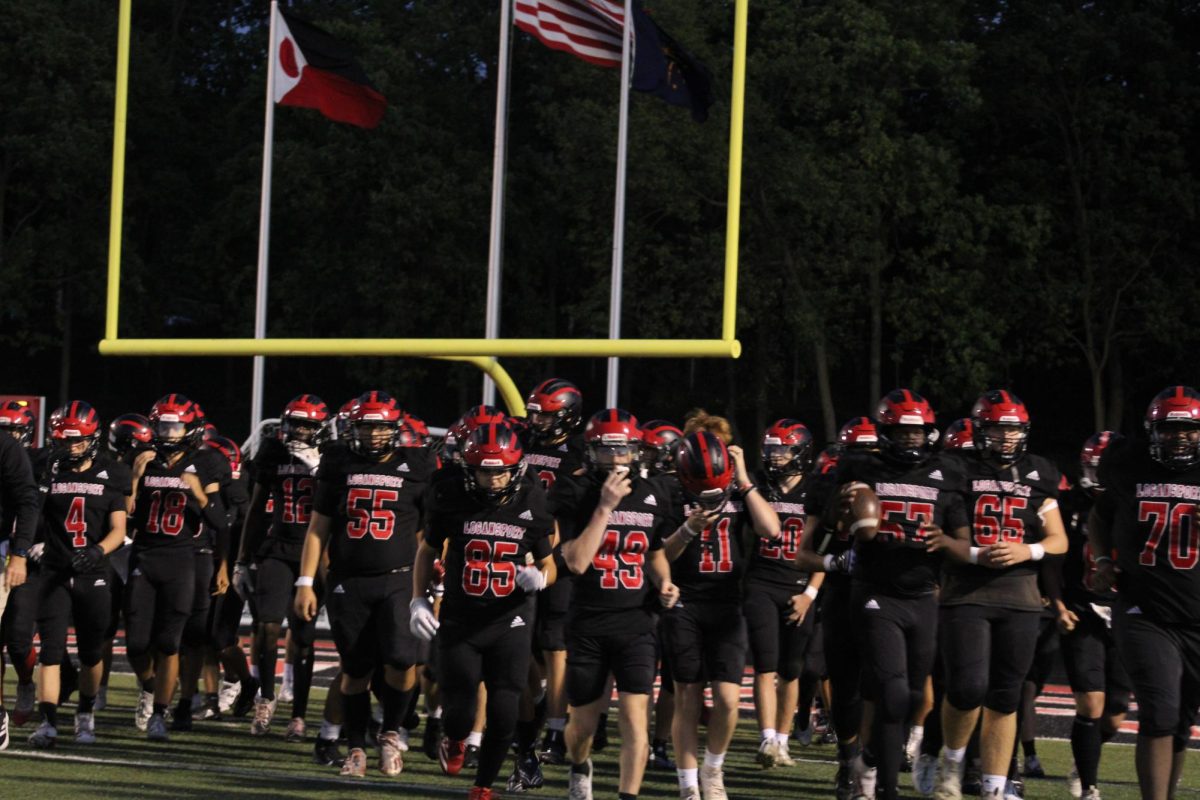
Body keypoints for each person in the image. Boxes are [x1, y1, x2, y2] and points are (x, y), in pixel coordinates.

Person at [804, 389, 970, 800]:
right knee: (868, 689)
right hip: (867, 591)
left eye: (918, 433)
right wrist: (837, 520)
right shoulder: (855, 470)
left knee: (907, 695)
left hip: (920, 593)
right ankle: (870, 775)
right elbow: (816, 545)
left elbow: (962, 545)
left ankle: (871, 761)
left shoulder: (945, 473)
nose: (913, 439)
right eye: (903, 431)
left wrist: (946, 543)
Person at [934, 390, 1068, 800]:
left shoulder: (1039, 471)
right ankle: (952, 759)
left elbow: (1059, 539)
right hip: (967, 592)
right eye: (997, 428)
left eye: (1013, 429)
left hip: (1021, 596)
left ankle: (994, 786)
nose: (1006, 437)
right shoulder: (957, 469)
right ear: (980, 429)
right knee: (968, 687)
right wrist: (974, 553)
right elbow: (943, 534)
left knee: (1007, 695)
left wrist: (1028, 550)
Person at [412, 421, 557, 800]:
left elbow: (550, 561)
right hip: (461, 617)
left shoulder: (531, 497)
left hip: (510, 618)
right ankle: (454, 737)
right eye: (484, 471)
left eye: (500, 471)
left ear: (517, 468)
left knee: (506, 708)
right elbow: (428, 549)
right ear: (468, 468)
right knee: (460, 712)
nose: (493, 480)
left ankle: (484, 787)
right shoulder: (450, 494)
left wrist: (540, 578)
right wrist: (418, 599)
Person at [294, 390, 434, 778]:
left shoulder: (417, 465)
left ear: (395, 429)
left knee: (403, 661)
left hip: (400, 579)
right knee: (355, 669)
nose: (373, 435)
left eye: (380, 428)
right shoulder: (338, 463)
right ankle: (355, 747)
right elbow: (318, 528)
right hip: (348, 580)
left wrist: (429, 587)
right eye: (366, 427)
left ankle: (390, 732)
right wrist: (306, 581)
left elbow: (429, 535)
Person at [551, 408, 679, 800]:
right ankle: (579, 765)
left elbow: (653, 551)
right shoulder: (575, 492)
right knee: (582, 726)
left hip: (637, 622)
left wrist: (665, 581)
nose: (617, 458)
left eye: (623, 449)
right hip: (588, 619)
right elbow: (574, 561)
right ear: (591, 452)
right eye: (607, 450)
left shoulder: (654, 492)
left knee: (636, 722)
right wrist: (604, 508)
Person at [1088, 386, 1200, 800]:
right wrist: (1101, 561)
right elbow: (1100, 517)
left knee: (1182, 721)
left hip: (1197, 614)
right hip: (1144, 609)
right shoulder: (1126, 464)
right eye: (1170, 429)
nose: (1180, 437)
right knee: (1160, 713)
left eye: (1189, 429)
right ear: (1153, 431)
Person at [663, 415, 782, 800]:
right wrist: (688, 529)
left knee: (729, 700)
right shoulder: (672, 490)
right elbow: (657, 553)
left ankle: (713, 771)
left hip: (727, 602)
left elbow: (771, 530)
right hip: (685, 601)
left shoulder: (737, 486)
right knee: (688, 696)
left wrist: (745, 480)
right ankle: (688, 784)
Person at [26, 402, 128, 747]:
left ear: (93, 437)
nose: (71, 446)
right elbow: (31, 513)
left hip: (93, 572)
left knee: (90, 652)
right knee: (50, 651)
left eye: (78, 440)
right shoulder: (47, 469)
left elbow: (118, 528)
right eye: (64, 440)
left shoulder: (112, 473)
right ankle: (48, 721)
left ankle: (85, 713)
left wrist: (98, 551)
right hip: (53, 570)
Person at [126, 394, 225, 741]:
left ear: (191, 428)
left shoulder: (207, 461)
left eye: (175, 425)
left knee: (169, 643)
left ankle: (159, 714)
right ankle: (151, 689)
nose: (168, 432)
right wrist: (135, 478)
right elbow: (126, 516)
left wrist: (199, 495)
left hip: (183, 559)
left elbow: (219, 521)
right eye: (163, 425)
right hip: (145, 555)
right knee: (137, 645)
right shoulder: (143, 459)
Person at [241, 394, 330, 738]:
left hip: (315, 552)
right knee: (265, 626)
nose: (301, 430)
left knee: (304, 635)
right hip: (277, 546)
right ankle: (265, 697)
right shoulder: (273, 452)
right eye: (296, 422)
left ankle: (299, 715)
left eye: (309, 424)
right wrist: (242, 558)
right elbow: (256, 506)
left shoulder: (331, 457)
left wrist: (318, 469)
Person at [1053, 431, 1130, 800]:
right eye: (1098, 469)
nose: (1102, 477)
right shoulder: (1070, 506)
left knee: (1114, 714)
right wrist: (1058, 602)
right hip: (1083, 608)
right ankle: (1089, 787)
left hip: (1128, 611)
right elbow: (1056, 559)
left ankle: (1085, 755)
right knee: (1091, 703)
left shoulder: (1135, 501)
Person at [744, 419, 821, 770]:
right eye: (772, 449)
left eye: (784, 449)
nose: (776, 457)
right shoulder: (759, 486)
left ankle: (784, 741)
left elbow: (824, 549)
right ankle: (767, 738)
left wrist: (810, 593)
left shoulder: (817, 490)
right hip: (762, 580)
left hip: (799, 586)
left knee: (791, 669)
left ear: (800, 451)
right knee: (765, 664)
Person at [0, 401, 41, 751]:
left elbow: (28, 500)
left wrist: (20, 553)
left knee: (15, 638)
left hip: (4, 549)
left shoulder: (7, 448)